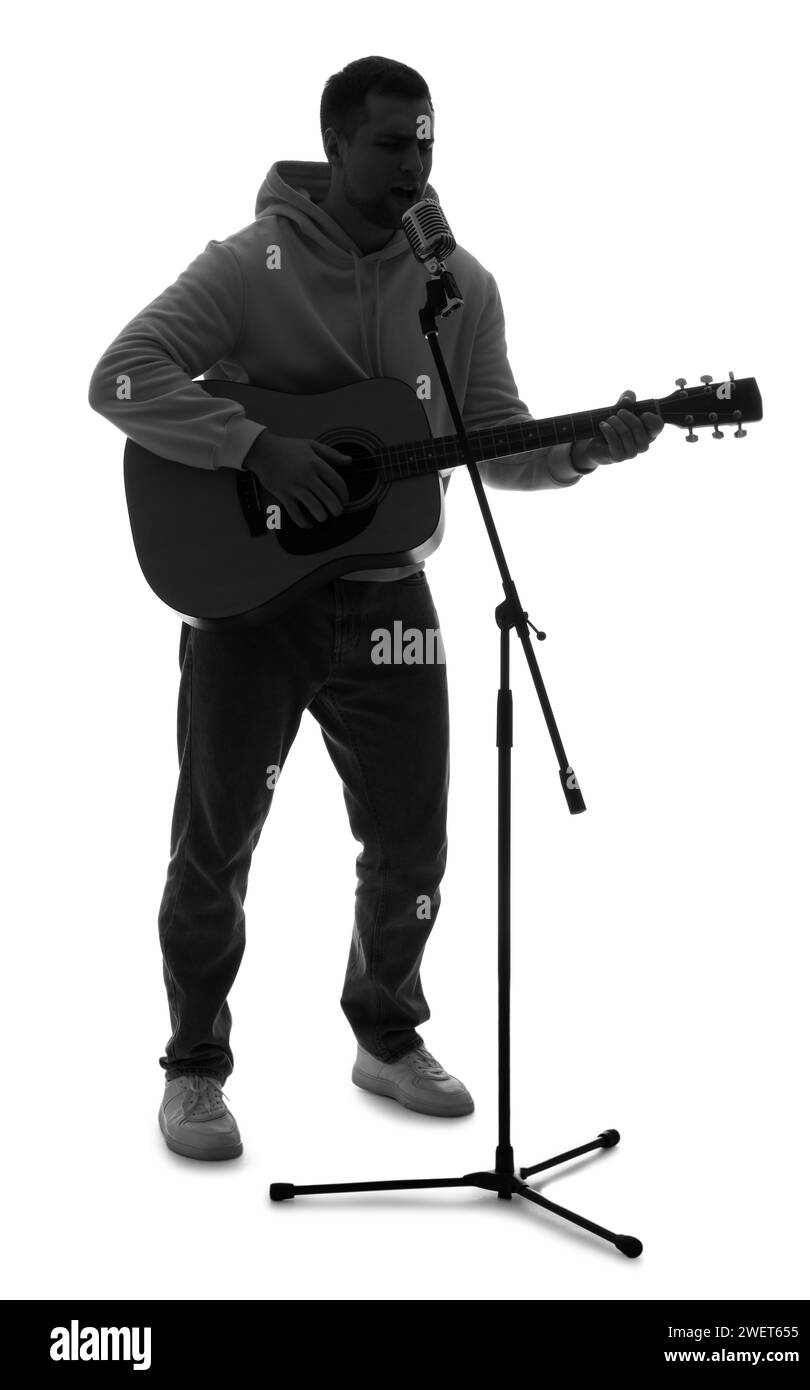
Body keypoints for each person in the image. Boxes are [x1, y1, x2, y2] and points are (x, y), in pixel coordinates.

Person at [87, 55, 664, 1162]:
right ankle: (194, 1068)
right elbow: (119, 376)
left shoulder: (461, 286)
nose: (416, 165)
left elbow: (498, 440)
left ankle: (386, 1034)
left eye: (430, 144)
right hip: (249, 605)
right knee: (216, 843)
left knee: (413, 838)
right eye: (394, 143)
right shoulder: (248, 265)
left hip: (390, 592)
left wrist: (587, 447)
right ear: (339, 144)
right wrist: (256, 444)